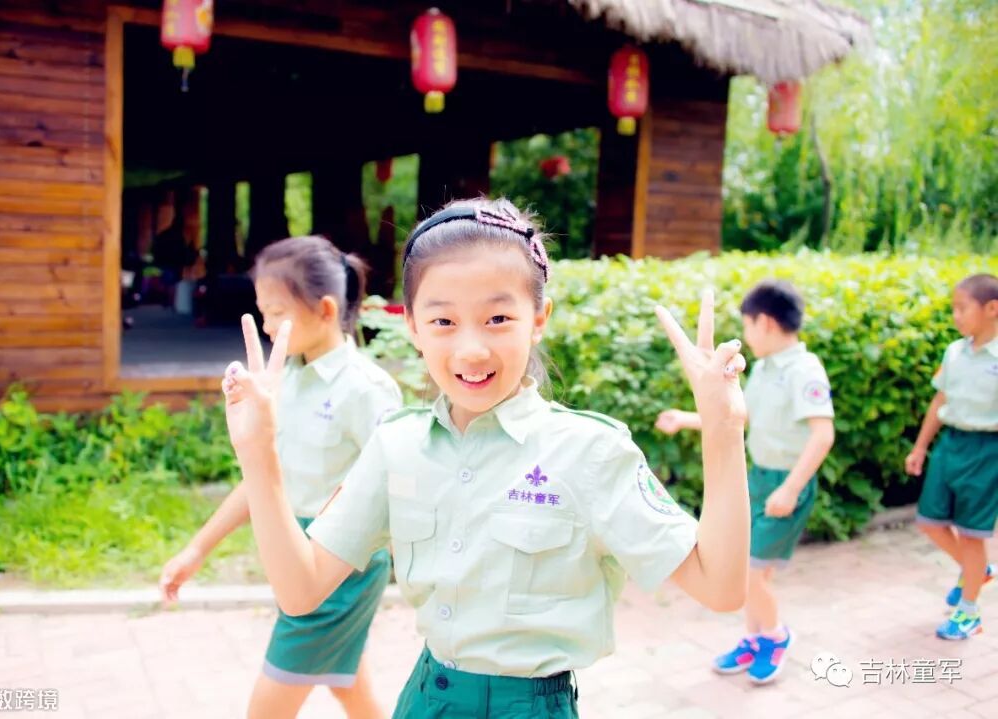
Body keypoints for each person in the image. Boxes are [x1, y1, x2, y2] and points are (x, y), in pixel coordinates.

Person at [222, 198, 749, 718]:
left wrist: (723, 429)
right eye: (443, 321)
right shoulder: (396, 445)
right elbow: (301, 590)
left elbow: (720, 587)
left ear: (538, 319)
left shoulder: (589, 452)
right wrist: (257, 452)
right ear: (412, 326)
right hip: (426, 701)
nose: (471, 349)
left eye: (498, 317)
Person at [160, 236, 401, 718]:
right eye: (262, 312)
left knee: (269, 705)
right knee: (347, 683)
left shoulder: (367, 390)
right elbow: (264, 481)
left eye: (276, 313)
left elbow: (395, 491)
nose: (267, 326)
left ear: (325, 309)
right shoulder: (283, 378)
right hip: (293, 551)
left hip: (341, 566)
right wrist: (196, 549)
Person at [657, 279, 835, 684]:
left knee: (750, 574)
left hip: (786, 484)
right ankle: (754, 639)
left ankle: (775, 636)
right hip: (757, 479)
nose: (746, 335)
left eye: (747, 325)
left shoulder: (804, 369)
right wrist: (686, 418)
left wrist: (790, 489)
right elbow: (740, 416)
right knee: (751, 572)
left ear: (765, 322)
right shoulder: (764, 368)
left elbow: (823, 435)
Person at [906, 273, 998, 640]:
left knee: (972, 534)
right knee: (930, 521)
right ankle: (978, 570)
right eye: (954, 309)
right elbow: (939, 400)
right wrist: (920, 447)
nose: (956, 316)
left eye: (963, 308)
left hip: (987, 450)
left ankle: (969, 612)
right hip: (951, 444)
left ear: (992, 309)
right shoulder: (954, 352)